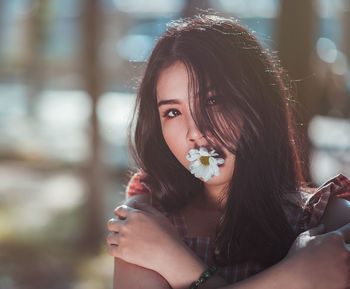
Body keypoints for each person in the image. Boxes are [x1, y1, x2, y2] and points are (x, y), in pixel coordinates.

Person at [106, 14, 350, 289]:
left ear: (256, 102)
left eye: (212, 100)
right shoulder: (147, 221)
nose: (194, 131)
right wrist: (292, 278)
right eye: (172, 112)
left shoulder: (330, 221)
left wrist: (176, 264)